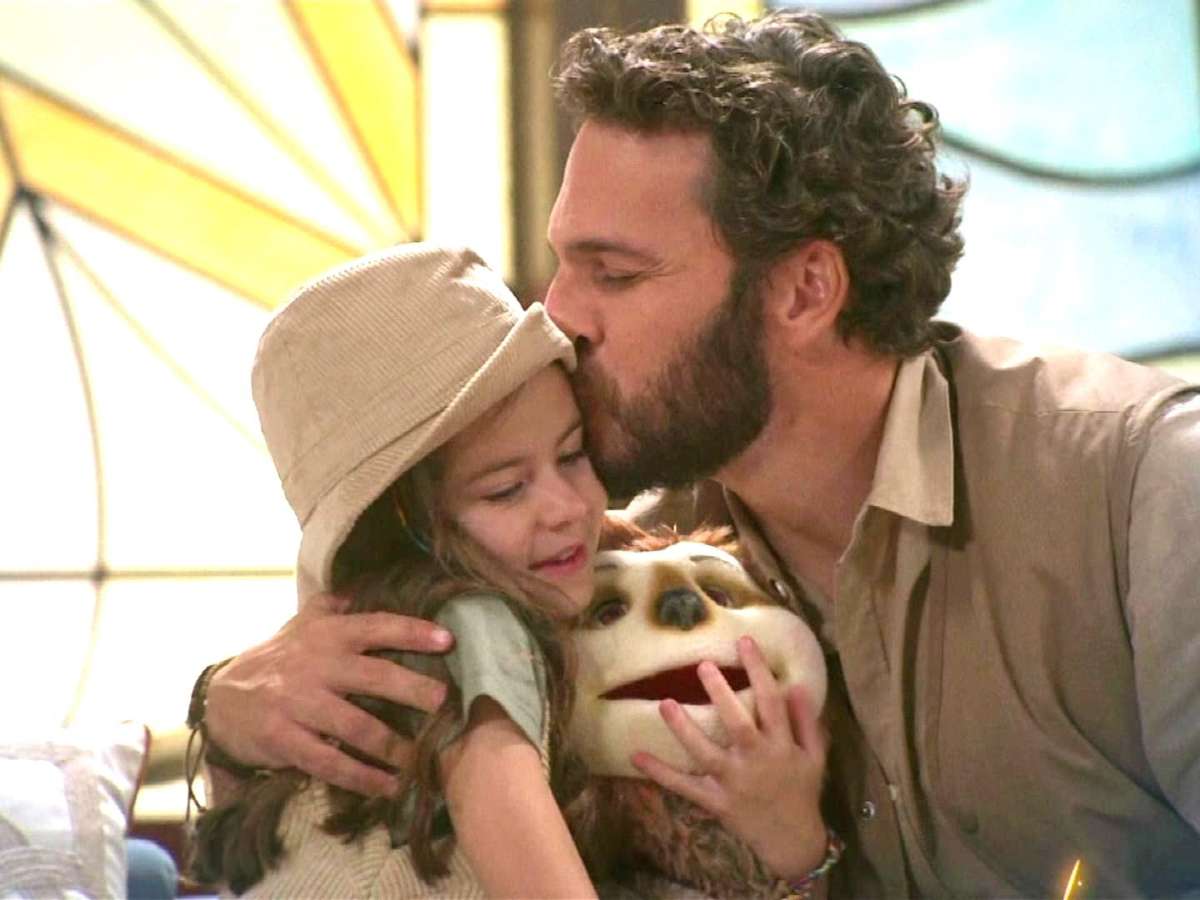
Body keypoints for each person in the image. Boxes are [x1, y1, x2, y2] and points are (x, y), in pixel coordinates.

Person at [195, 11, 1200, 897]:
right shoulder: (620, 554)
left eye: (614, 274)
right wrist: (229, 711)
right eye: (562, 263)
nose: (557, 317)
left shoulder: (1142, 492)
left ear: (805, 291)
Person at [187, 242, 824, 897]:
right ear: (405, 525)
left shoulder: (373, 644)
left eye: (573, 455)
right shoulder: (470, 626)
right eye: (504, 490)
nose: (566, 507)